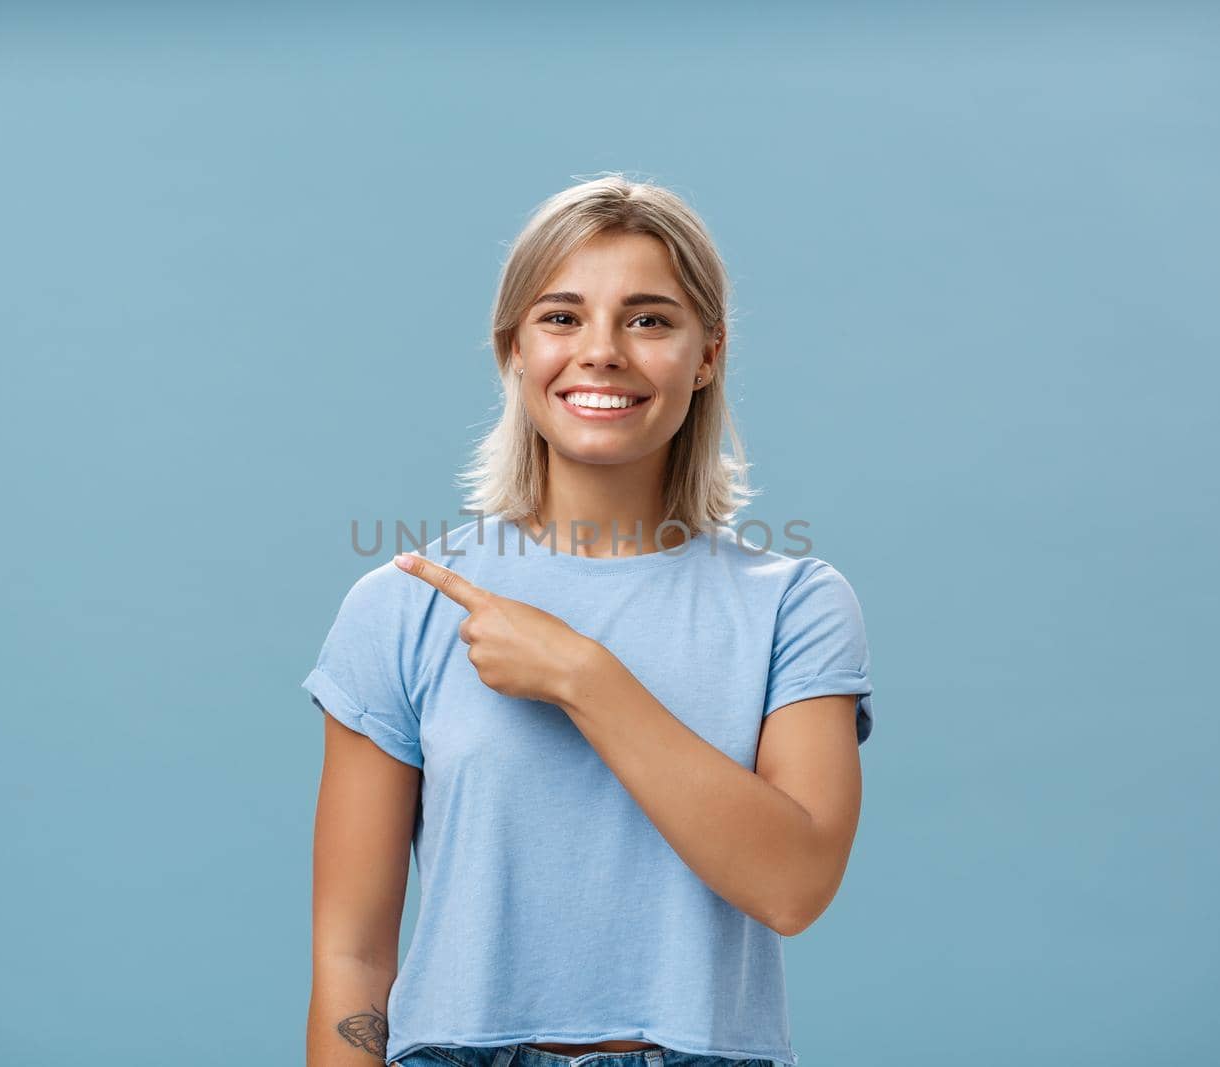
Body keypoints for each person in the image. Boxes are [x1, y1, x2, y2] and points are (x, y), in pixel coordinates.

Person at [303, 175, 876, 1067]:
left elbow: (794, 885)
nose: (601, 351)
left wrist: (580, 675)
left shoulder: (795, 605)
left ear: (708, 352)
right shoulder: (406, 603)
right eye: (562, 318)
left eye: (649, 319)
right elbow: (352, 953)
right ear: (513, 349)